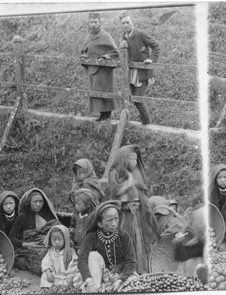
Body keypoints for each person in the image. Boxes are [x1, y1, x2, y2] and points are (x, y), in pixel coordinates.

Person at [108, 145, 159, 274]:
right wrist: (128, 184)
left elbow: (142, 191)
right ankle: (125, 268)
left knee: (138, 240)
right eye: (130, 159)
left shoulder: (136, 173)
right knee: (124, 239)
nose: (133, 163)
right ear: (122, 159)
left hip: (136, 213)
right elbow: (115, 192)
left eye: (135, 160)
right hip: (122, 214)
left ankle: (138, 267)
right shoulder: (114, 173)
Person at [78, 201, 138, 293]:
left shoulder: (124, 236)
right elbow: (82, 260)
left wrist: (120, 279)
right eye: (109, 220)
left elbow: (131, 261)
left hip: (122, 274)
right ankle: (96, 286)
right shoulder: (91, 237)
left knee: (134, 284)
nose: (114, 223)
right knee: (93, 255)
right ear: (99, 224)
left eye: (116, 219)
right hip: (98, 276)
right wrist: (89, 281)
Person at [119, 10, 161, 125]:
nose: (126, 25)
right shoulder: (124, 36)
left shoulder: (141, 34)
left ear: (132, 21)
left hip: (142, 73)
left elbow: (156, 46)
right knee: (134, 99)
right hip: (132, 73)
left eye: (127, 22)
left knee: (138, 99)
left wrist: (151, 59)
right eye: (123, 23)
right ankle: (145, 122)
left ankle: (147, 123)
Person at [80, 12, 120, 121]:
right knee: (97, 92)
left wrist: (105, 57)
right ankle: (102, 115)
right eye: (91, 22)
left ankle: (106, 115)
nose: (93, 24)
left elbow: (116, 52)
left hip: (105, 71)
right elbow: (84, 51)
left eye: (95, 22)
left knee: (106, 91)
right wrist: (84, 58)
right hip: (94, 70)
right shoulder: (88, 37)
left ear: (99, 22)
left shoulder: (106, 36)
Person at [41, 225, 82, 289]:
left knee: (78, 276)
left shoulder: (70, 251)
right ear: (50, 240)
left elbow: (74, 265)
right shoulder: (50, 252)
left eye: (59, 239)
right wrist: (48, 273)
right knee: (44, 276)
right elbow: (46, 263)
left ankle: (72, 288)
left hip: (67, 276)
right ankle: (47, 288)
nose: (57, 242)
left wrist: (70, 275)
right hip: (55, 277)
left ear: (65, 239)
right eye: (54, 240)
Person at [172, 205, 207, 277]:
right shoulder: (201, 241)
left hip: (191, 275)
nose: (192, 225)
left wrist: (183, 229)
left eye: (194, 222)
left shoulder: (199, 246)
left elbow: (177, 255)